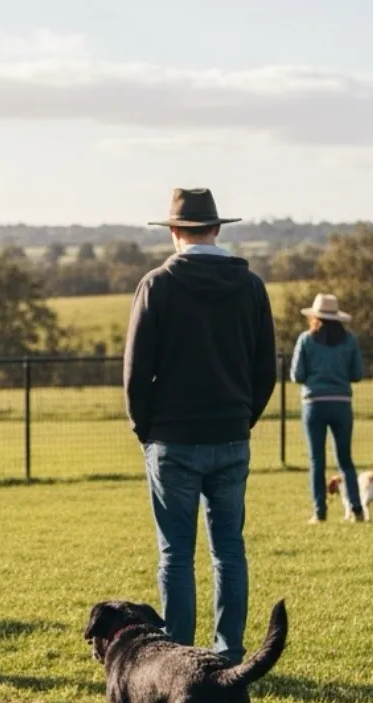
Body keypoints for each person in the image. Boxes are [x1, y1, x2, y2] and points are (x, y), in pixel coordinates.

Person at [123, 188, 277, 662]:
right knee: (228, 549)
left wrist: (145, 428)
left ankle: (179, 656)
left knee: (176, 554)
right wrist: (243, 418)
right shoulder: (250, 286)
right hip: (231, 434)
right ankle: (229, 653)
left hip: (172, 437)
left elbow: (135, 372)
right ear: (216, 228)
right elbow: (264, 370)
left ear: (174, 232)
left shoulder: (157, 285)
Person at [290, 293, 366, 523]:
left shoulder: (305, 340)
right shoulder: (349, 340)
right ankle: (356, 508)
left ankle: (320, 512)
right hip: (342, 404)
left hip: (313, 404)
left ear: (315, 317)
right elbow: (357, 374)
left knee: (316, 460)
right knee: (345, 459)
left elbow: (297, 375)